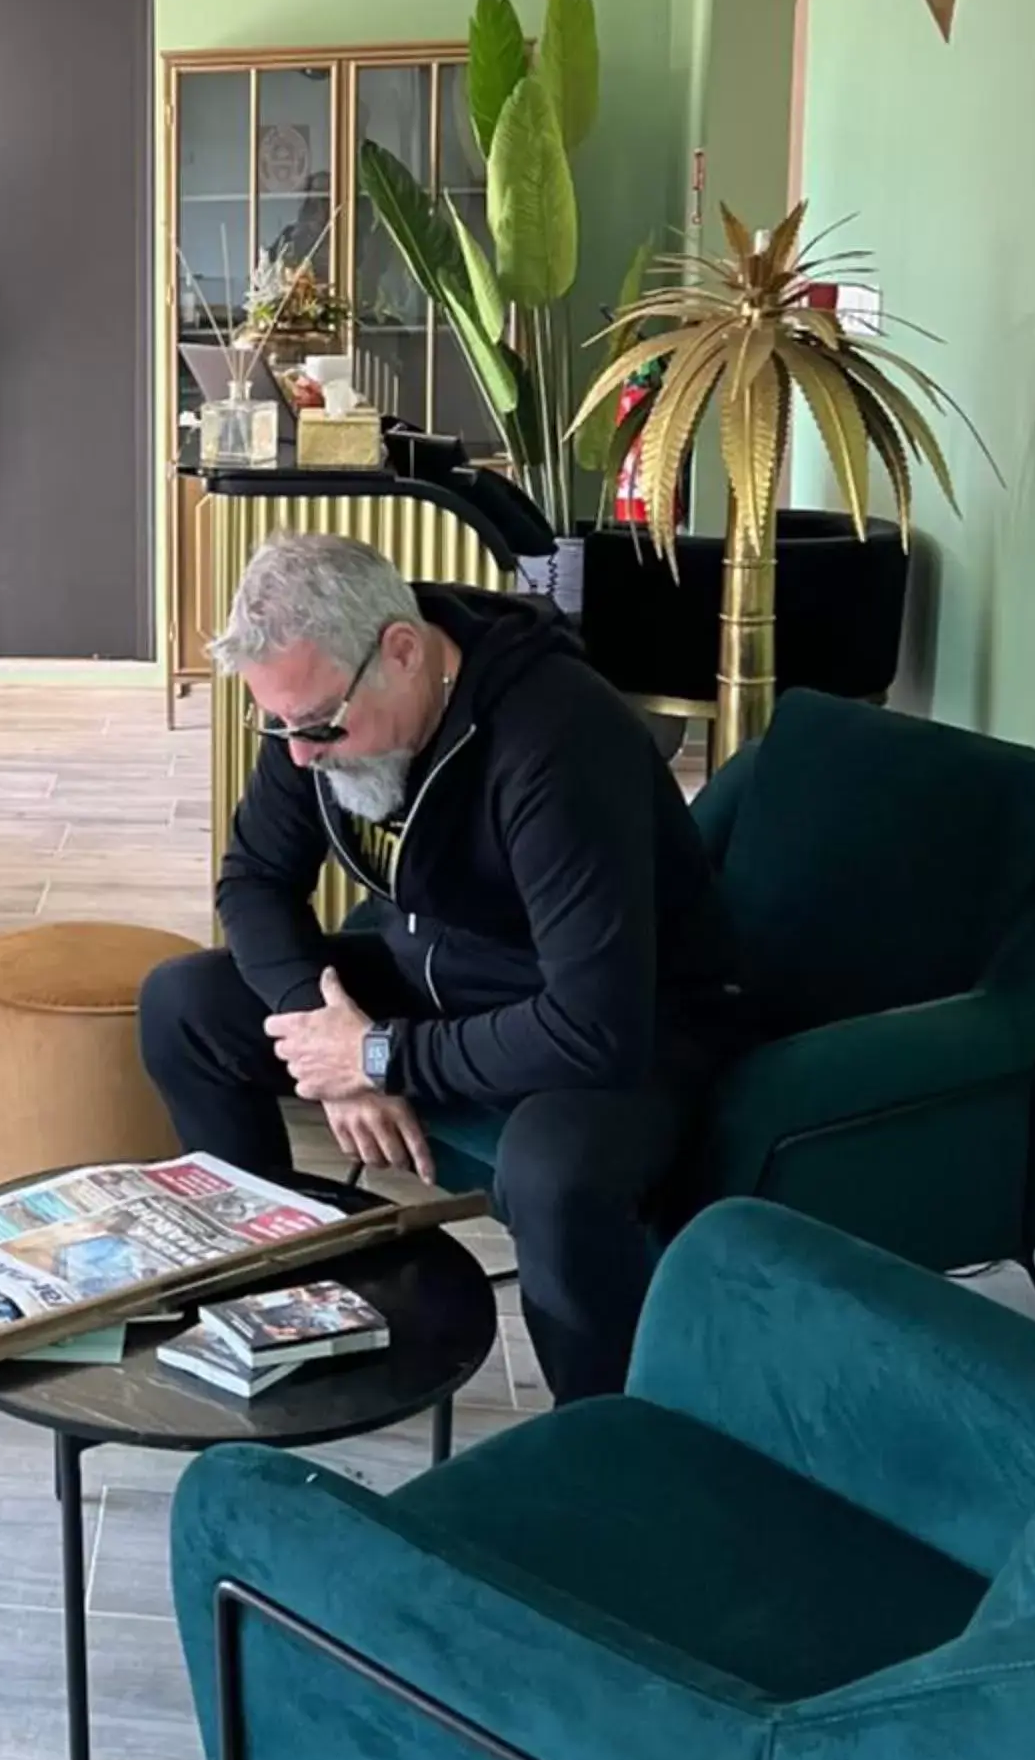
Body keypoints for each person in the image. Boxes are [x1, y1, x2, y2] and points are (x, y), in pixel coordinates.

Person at [138, 534, 738, 1401]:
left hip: (627, 1021)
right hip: (434, 988)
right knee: (183, 1003)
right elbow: (255, 879)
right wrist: (326, 1039)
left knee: (550, 1168)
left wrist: (381, 1055)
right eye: (280, 728)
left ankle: (608, 1430)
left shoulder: (559, 741)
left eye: (315, 730)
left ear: (404, 652)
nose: (300, 754)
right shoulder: (319, 699)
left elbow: (593, 1026)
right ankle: (274, 1320)